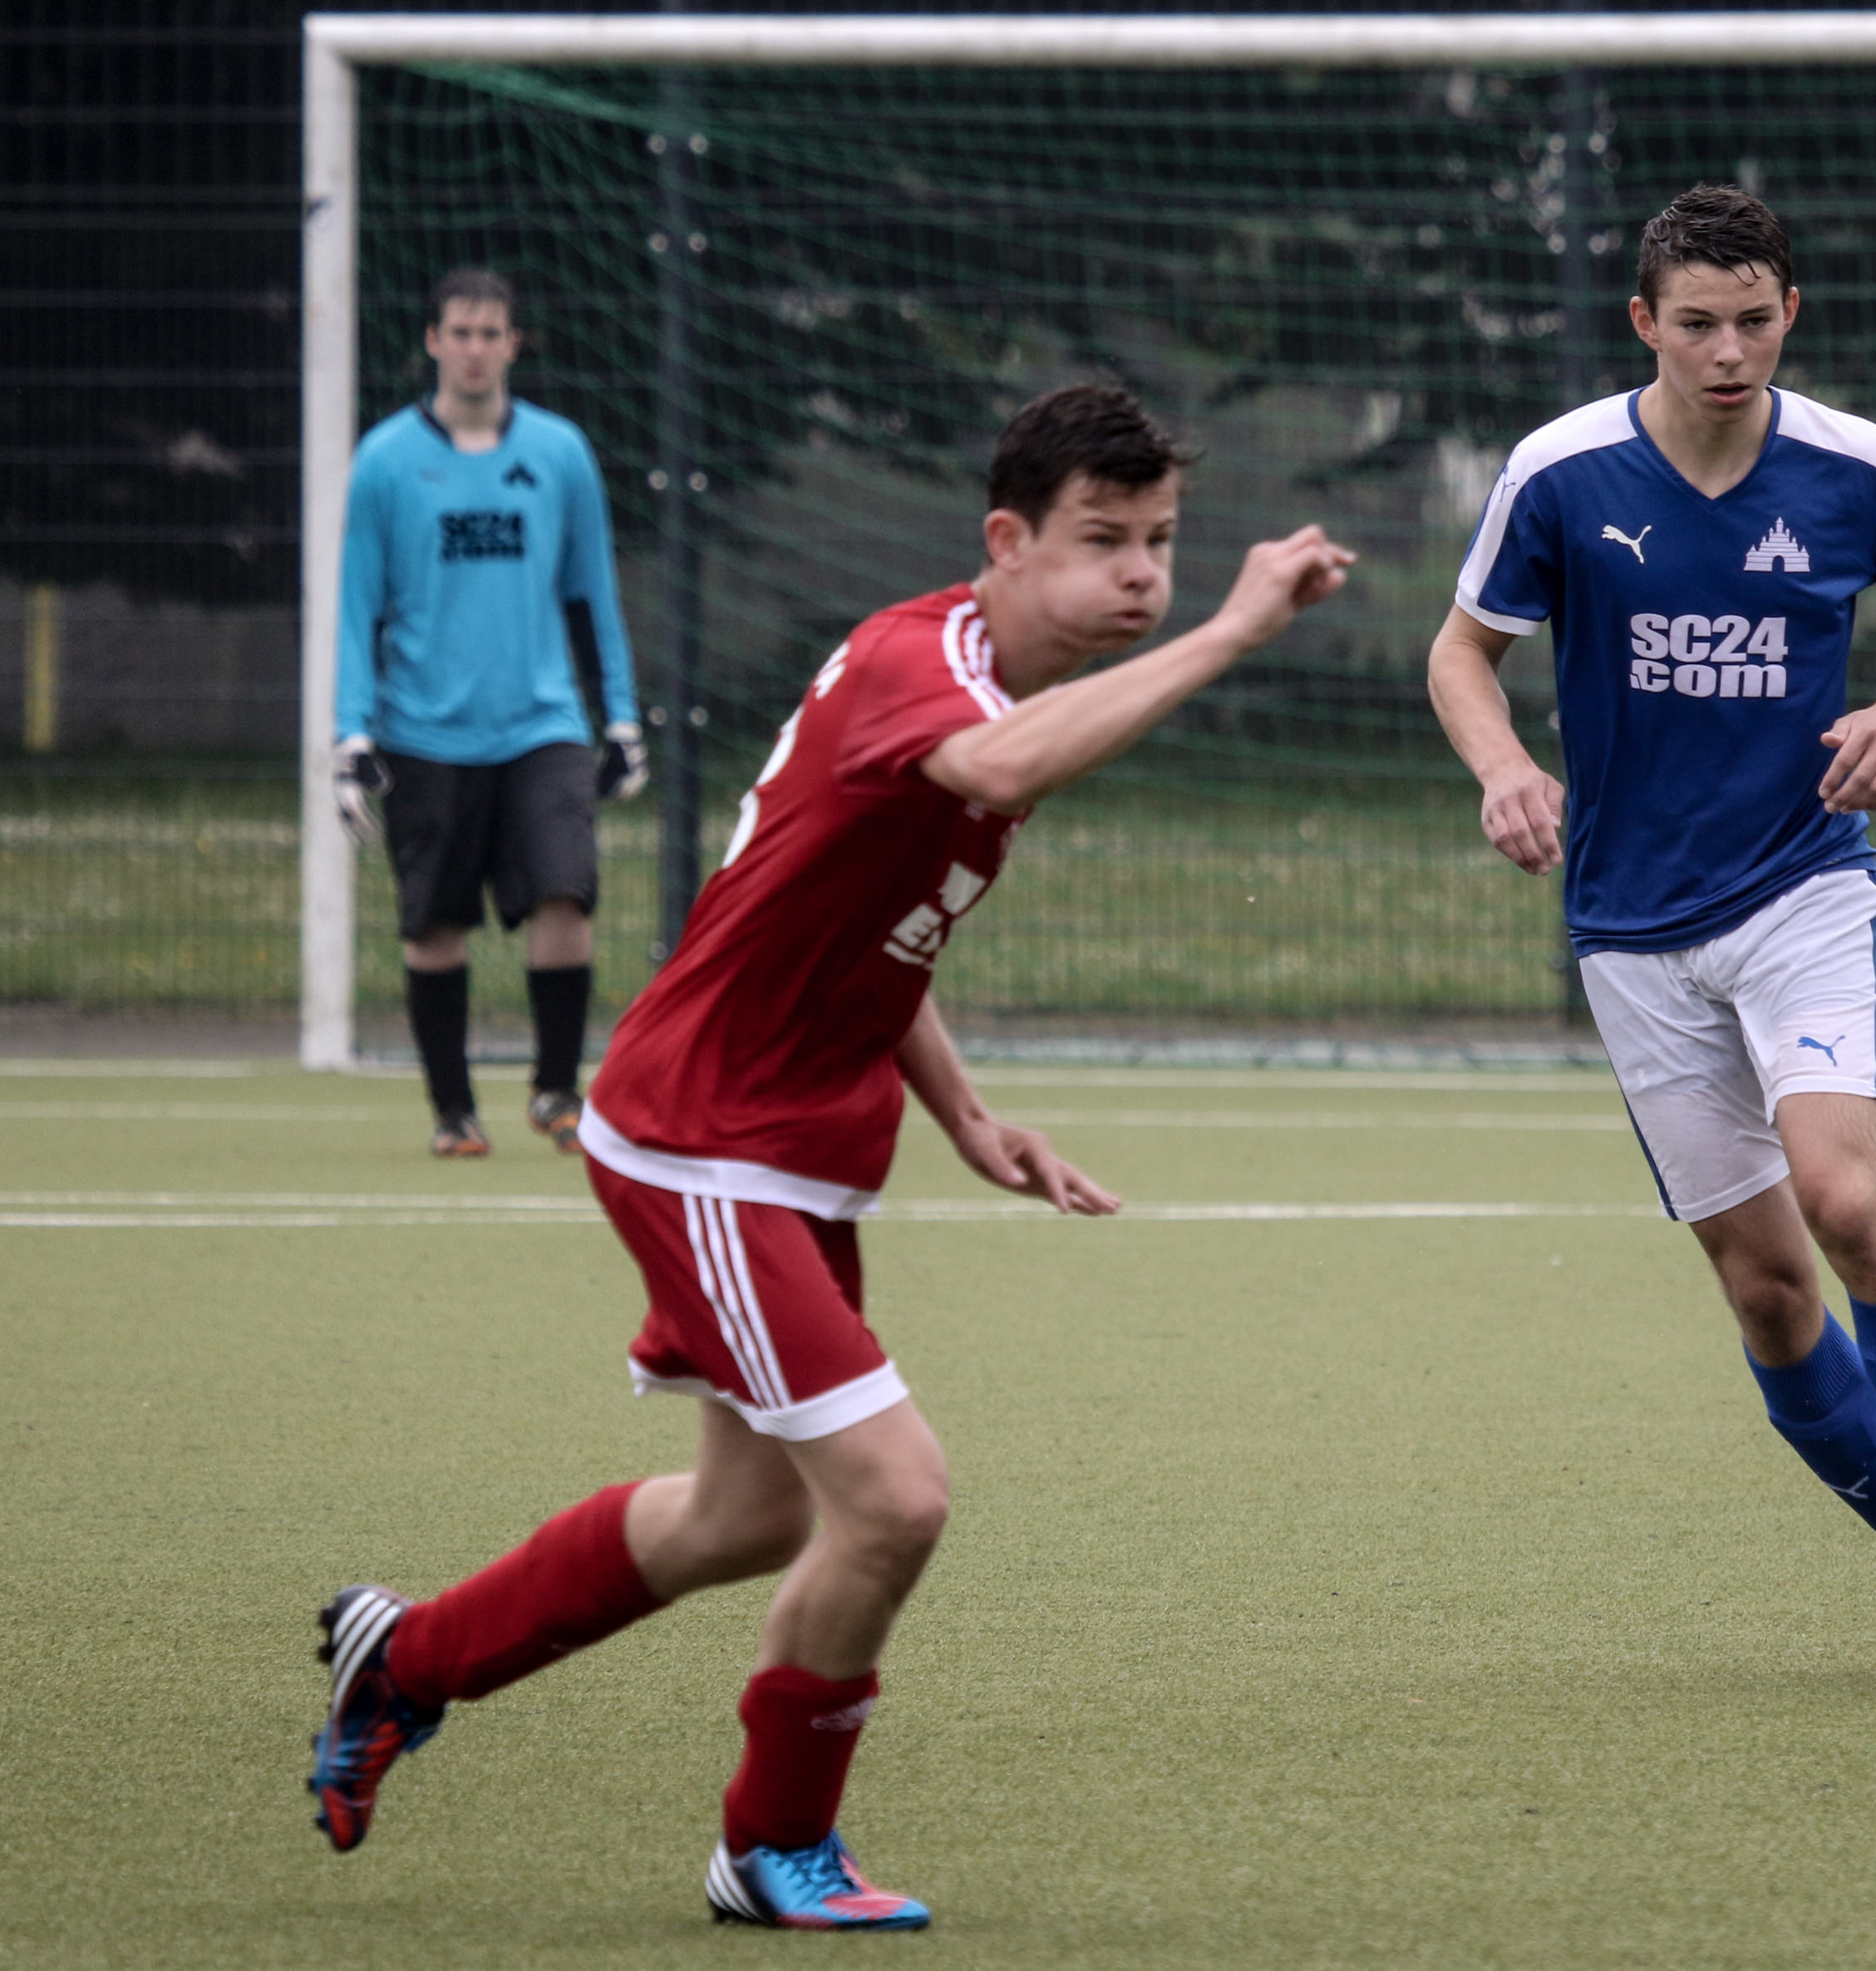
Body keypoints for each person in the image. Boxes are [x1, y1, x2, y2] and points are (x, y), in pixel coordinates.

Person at [307, 385, 1356, 1929]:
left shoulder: (984, 677)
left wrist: (967, 1115)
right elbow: (1000, 773)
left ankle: (404, 1658)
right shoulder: (918, 671)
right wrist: (1233, 631)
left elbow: (867, 921)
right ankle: (770, 1840)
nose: (1140, 573)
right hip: (704, 1138)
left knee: (745, 1518)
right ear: (1006, 542)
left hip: (787, 1145)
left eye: (1161, 542)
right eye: (1101, 541)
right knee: (895, 1498)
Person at [1426, 185, 1876, 1681]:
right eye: (1697, 323)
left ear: (1790, 314)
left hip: (1803, 889)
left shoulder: (1853, 467)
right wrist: (1503, 767)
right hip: (1630, 928)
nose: (1728, 351)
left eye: (1754, 321)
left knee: (1845, 1199)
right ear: (1643, 321)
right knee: (1768, 1288)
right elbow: (1462, 651)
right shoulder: (1560, 473)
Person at [332, 267, 648, 1159]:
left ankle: (557, 1092)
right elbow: (358, 609)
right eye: (460, 333)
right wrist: (351, 735)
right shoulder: (385, 460)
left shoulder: (560, 453)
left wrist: (621, 719)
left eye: (490, 333)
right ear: (433, 342)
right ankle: (453, 1110)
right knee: (434, 927)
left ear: (514, 344)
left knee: (565, 895)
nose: (475, 349)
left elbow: (591, 594)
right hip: (423, 732)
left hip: (542, 727)